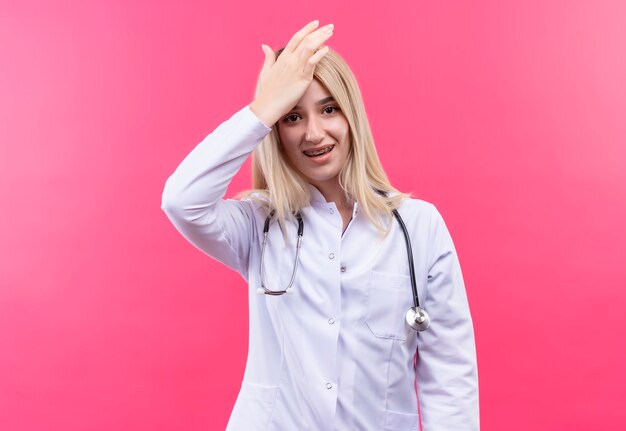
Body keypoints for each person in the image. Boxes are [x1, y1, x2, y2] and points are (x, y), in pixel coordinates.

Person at [161, 20, 479, 431]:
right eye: (292, 117)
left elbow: (449, 376)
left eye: (329, 109)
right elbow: (181, 200)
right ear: (275, 131)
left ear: (352, 116)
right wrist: (263, 108)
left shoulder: (418, 226)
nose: (314, 133)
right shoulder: (258, 223)